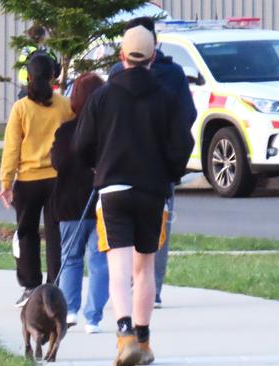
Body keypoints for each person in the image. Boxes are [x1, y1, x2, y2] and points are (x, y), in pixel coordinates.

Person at [73, 25, 193, 365]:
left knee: (118, 268)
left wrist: (97, 168)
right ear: (153, 57)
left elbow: (81, 145)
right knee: (145, 268)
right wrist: (171, 172)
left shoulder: (103, 96)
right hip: (153, 190)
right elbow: (183, 142)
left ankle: (124, 335)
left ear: (122, 56)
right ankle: (144, 339)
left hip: (113, 189)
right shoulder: (166, 96)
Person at [109, 17, 198, 309]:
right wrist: (173, 167)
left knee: (121, 242)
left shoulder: (123, 73)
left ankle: (128, 313)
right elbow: (187, 120)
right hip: (157, 172)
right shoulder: (172, 76)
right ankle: (151, 291)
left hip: (120, 169)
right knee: (156, 234)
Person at [0, 54, 74, 308]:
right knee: (55, 235)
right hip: (58, 180)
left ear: (28, 77)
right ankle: (54, 286)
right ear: (54, 77)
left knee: (26, 233)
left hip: (28, 181)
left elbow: (11, 148)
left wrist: (6, 182)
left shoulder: (20, 108)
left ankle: (30, 285)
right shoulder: (64, 105)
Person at [51, 73, 108, 334]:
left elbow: (58, 163)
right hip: (101, 203)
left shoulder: (65, 132)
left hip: (70, 203)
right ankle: (93, 317)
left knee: (71, 258)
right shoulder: (108, 132)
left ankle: (70, 310)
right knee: (99, 261)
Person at [17, 24, 61, 99]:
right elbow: (53, 70)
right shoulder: (41, 54)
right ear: (42, 37)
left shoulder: (26, 50)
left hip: (25, 88)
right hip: (39, 90)